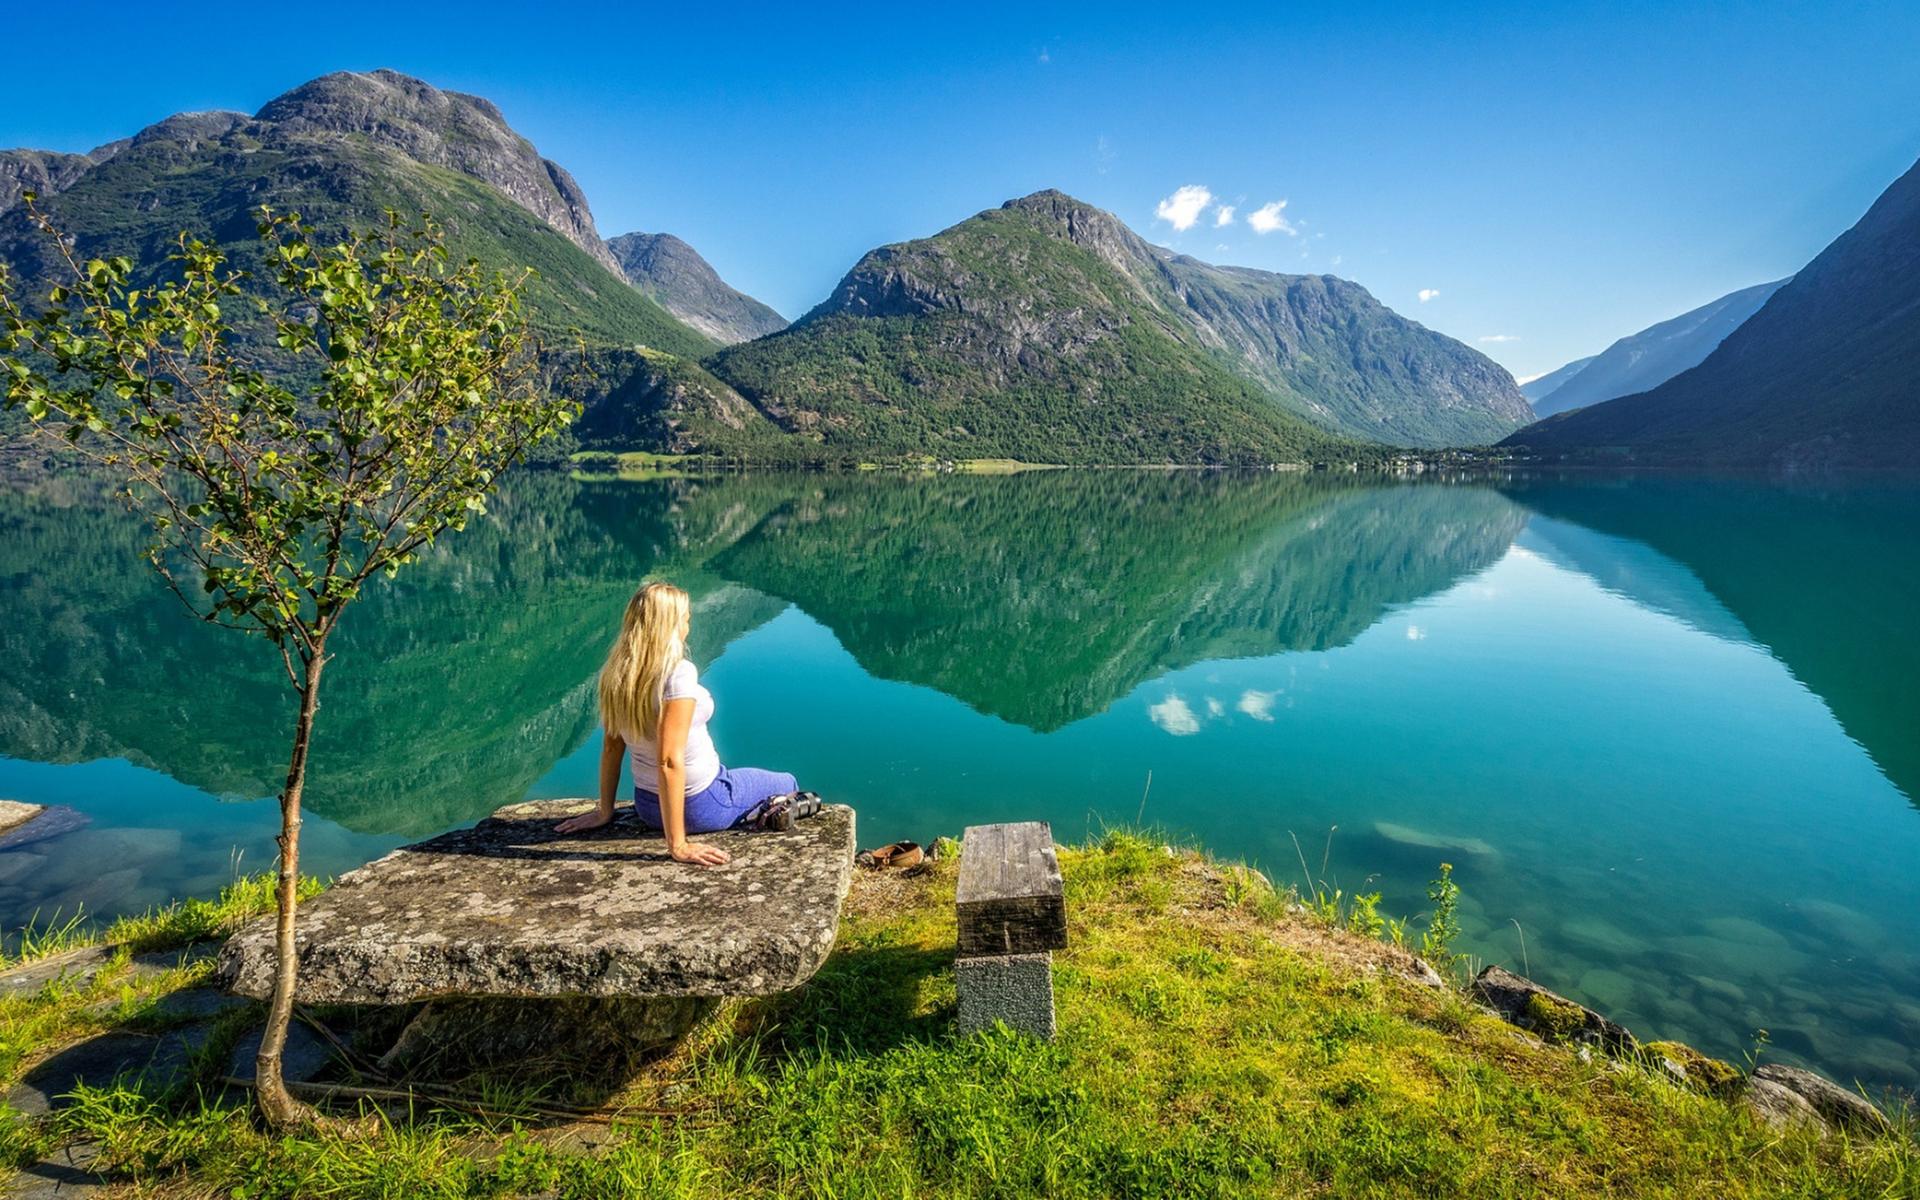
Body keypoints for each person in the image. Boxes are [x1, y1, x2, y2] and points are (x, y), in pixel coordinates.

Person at [556, 581, 815, 864]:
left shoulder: (618, 674)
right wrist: (677, 845)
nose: (687, 627)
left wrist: (605, 811)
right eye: (685, 619)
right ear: (670, 626)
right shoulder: (677, 674)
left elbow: (611, 747)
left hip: (647, 807)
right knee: (788, 782)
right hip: (703, 803)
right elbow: (668, 760)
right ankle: (766, 810)